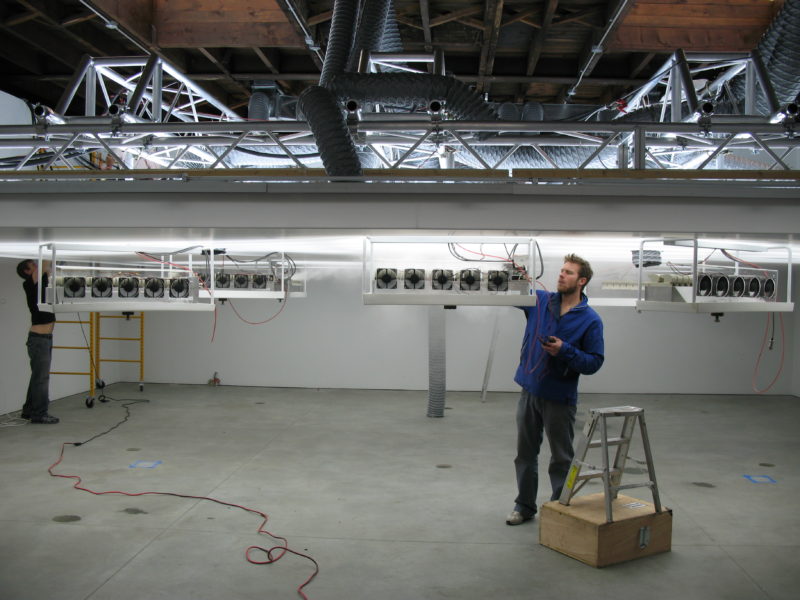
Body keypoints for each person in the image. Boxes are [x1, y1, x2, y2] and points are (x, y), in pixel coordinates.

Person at [507, 253, 603, 525]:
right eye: (561, 270)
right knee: (525, 454)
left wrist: (565, 351)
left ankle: (561, 510)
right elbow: (512, 293)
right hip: (529, 390)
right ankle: (524, 506)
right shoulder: (539, 302)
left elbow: (594, 362)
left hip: (559, 397)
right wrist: (513, 271)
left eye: (569, 272)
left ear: (582, 281)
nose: (561, 275)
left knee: (562, 457)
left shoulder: (590, 320)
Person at [17, 259, 59, 424]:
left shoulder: (40, 283)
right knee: (41, 378)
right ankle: (39, 414)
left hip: (44, 339)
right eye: (33, 264)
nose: (37, 265)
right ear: (28, 271)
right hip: (39, 340)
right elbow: (46, 262)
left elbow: (47, 269)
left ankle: (28, 410)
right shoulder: (30, 283)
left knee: (37, 377)